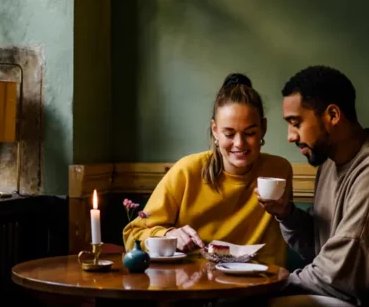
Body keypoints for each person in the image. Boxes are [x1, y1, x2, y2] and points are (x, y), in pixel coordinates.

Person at [257, 66, 369, 306]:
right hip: (341, 295)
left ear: (332, 115)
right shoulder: (328, 164)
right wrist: (286, 214)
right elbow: (324, 251)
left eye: (296, 123)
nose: (290, 136)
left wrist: (267, 287)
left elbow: (341, 273)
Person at [123, 73, 293, 266]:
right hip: (194, 287)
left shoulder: (279, 170)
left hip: (260, 286)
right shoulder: (187, 172)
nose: (239, 143)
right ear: (215, 130)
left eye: (250, 133)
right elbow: (133, 235)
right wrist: (168, 235)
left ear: (263, 128)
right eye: (229, 134)